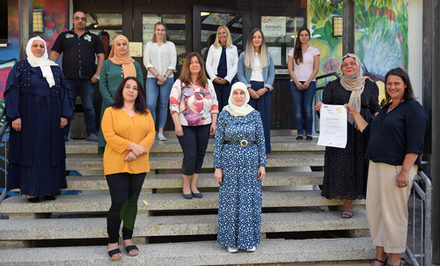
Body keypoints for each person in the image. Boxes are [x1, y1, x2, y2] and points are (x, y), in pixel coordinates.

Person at [345, 68, 428, 266]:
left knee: (394, 215)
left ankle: (395, 259)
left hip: (397, 168)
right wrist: (355, 113)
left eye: (397, 83)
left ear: (405, 85)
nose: (392, 87)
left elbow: (415, 143)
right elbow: (368, 131)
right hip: (376, 166)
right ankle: (380, 256)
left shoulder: (413, 109)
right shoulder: (386, 108)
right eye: (389, 83)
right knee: (376, 213)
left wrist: (405, 171)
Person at [4, 36, 74, 202]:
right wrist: (14, 116)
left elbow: (65, 92)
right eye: (35, 45)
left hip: (52, 117)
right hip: (28, 118)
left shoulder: (54, 68)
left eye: (41, 46)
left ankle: (49, 189)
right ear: (29, 48)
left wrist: (65, 115)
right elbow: (11, 91)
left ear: (45, 49)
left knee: (51, 152)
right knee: (32, 153)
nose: (38, 49)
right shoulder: (21, 67)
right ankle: (32, 191)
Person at [315, 53, 379, 218]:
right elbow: (327, 113)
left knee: (358, 164)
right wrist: (321, 110)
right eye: (345, 65)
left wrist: (380, 120)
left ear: (358, 66)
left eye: (352, 63)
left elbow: (374, 108)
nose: (349, 67)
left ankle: (349, 201)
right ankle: (337, 194)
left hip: (362, 131)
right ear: (341, 68)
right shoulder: (333, 86)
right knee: (339, 165)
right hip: (339, 132)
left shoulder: (370, 86)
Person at [101, 77, 155, 260]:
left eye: (135, 88)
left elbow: (151, 134)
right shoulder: (110, 111)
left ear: (139, 92)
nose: (131, 90)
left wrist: (138, 152)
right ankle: (112, 241)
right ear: (121, 90)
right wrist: (132, 146)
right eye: (127, 87)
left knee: (132, 202)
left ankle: (128, 238)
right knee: (119, 202)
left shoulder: (145, 113)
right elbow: (109, 135)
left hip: (139, 164)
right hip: (116, 163)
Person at [214, 82, 266, 253]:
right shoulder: (224, 114)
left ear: (246, 95)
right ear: (231, 95)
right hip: (228, 162)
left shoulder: (254, 114)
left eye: (241, 93)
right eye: (235, 93)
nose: (238, 96)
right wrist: (217, 167)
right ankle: (232, 241)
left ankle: (248, 240)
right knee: (230, 200)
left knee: (248, 200)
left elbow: (261, 140)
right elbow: (218, 142)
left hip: (251, 162)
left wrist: (262, 164)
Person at [50, 10, 105, 142]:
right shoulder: (64, 36)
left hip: (88, 79)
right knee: (67, 106)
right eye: (77, 18)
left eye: (83, 19)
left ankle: (91, 133)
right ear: (73, 20)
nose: (80, 21)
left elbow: (101, 56)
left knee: (89, 106)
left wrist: (97, 74)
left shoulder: (94, 38)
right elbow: (54, 54)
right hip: (68, 79)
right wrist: (51, 73)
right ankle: (64, 135)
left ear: (86, 22)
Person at [169, 52, 219, 199]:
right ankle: (186, 184)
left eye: (197, 62)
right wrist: (177, 125)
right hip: (185, 125)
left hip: (205, 124)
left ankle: (194, 184)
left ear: (201, 66)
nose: (195, 64)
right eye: (192, 62)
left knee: (200, 155)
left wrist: (214, 123)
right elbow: (173, 104)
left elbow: (215, 103)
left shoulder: (208, 83)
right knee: (190, 155)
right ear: (187, 66)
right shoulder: (180, 83)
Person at [98, 35, 143, 154]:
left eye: (124, 44)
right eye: (118, 44)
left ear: (128, 46)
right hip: (110, 104)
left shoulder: (135, 65)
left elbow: (139, 85)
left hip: (130, 106)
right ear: (114, 47)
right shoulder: (107, 64)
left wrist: (130, 103)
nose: (122, 47)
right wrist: (112, 102)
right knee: (110, 131)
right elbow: (102, 85)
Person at [237, 28, 275, 153]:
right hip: (249, 89)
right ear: (250, 39)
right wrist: (248, 88)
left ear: (262, 39)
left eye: (259, 37)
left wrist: (265, 88)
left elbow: (271, 75)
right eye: (254, 37)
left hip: (264, 89)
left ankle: (264, 148)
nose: (257, 39)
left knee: (263, 120)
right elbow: (240, 74)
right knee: (248, 120)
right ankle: (249, 148)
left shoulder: (268, 55)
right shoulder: (243, 55)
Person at [143, 22, 177, 141]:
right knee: (150, 104)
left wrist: (165, 77)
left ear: (165, 32)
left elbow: (173, 63)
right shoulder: (149, 45)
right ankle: (152, 130)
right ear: (154, 31)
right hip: (152, 78)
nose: (160, 32)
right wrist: (158, 76)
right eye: (158, 30)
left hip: (168, 78)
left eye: (162, 30)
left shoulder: (171, 45)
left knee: (163, 105)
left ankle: (160, 132)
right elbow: (147, 63)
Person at [288, 27, 320, 140]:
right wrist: (297, 82)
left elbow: (316, 69)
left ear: (309, 37)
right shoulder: (292, 52)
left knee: (308, 108)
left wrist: (307, 82)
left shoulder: (315, 51)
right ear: (298, 37)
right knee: (298, 109)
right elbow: (290, 69)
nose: (304, 37)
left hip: (310, 83)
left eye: (306, 35)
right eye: (302, 35)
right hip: (295, 83)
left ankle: (309, 133)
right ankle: (300, 133)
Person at [205, 25, 239, 111]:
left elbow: (236, 65)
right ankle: (215, 124)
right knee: (216, 104)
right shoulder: (213, 48)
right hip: (216, 79)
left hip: (228, 81)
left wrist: (227, 79)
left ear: (227, 34)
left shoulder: (233, 48)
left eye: (224, 33)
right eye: (219, 33)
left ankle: (225, 124)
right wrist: (214, 78)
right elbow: (208, 64)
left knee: (227, 105)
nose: (221, 35)